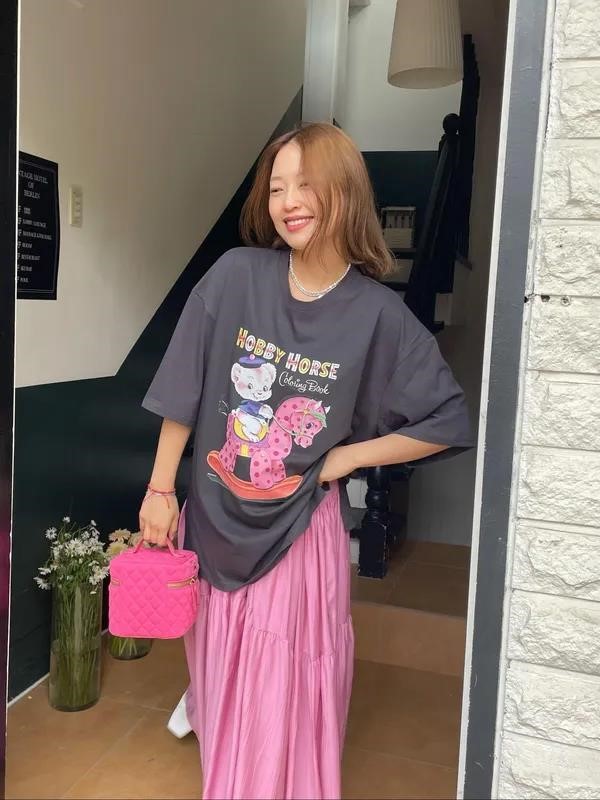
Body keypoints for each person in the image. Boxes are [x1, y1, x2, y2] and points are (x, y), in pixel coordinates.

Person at [139, 122, 473, 800]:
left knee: (282, 684)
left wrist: (341, 458)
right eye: (276, 187)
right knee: (221, 669)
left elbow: (446, 421)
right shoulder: (236, 275)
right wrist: (160, 489)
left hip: (297, 531)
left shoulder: (377, 315)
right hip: (215, 517)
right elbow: (185, 385)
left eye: (306, 185)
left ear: (344, 192)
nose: (288, 201)